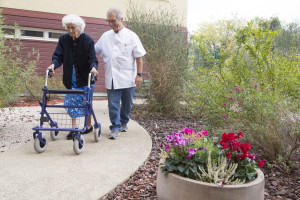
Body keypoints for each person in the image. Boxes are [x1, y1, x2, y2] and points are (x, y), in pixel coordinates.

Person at [95, 8, 146, 139]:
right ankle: (115, 127)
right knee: (113, 103)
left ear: (121, 19)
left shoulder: (131, 36)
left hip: (129, 77)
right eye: (108, 21)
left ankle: (124, 121)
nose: (111, 24)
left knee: (127, 104)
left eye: (113, 21)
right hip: (111, 76)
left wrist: (139, 75)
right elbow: (94, 51)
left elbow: (139, 57)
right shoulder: (105, 36)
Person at [48, 14, 98, 140]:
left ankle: (88, 126)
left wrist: (93, 68)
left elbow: (93, 59)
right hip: (71, 76)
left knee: (87, 102)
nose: (70, 31)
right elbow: (58, 56)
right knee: (70, 101)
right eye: (68, 27)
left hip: (86, 77)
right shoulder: (64, 39)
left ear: (79, 27)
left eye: (73, 27)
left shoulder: (88, 40)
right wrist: (53, 65)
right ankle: (74, 128)